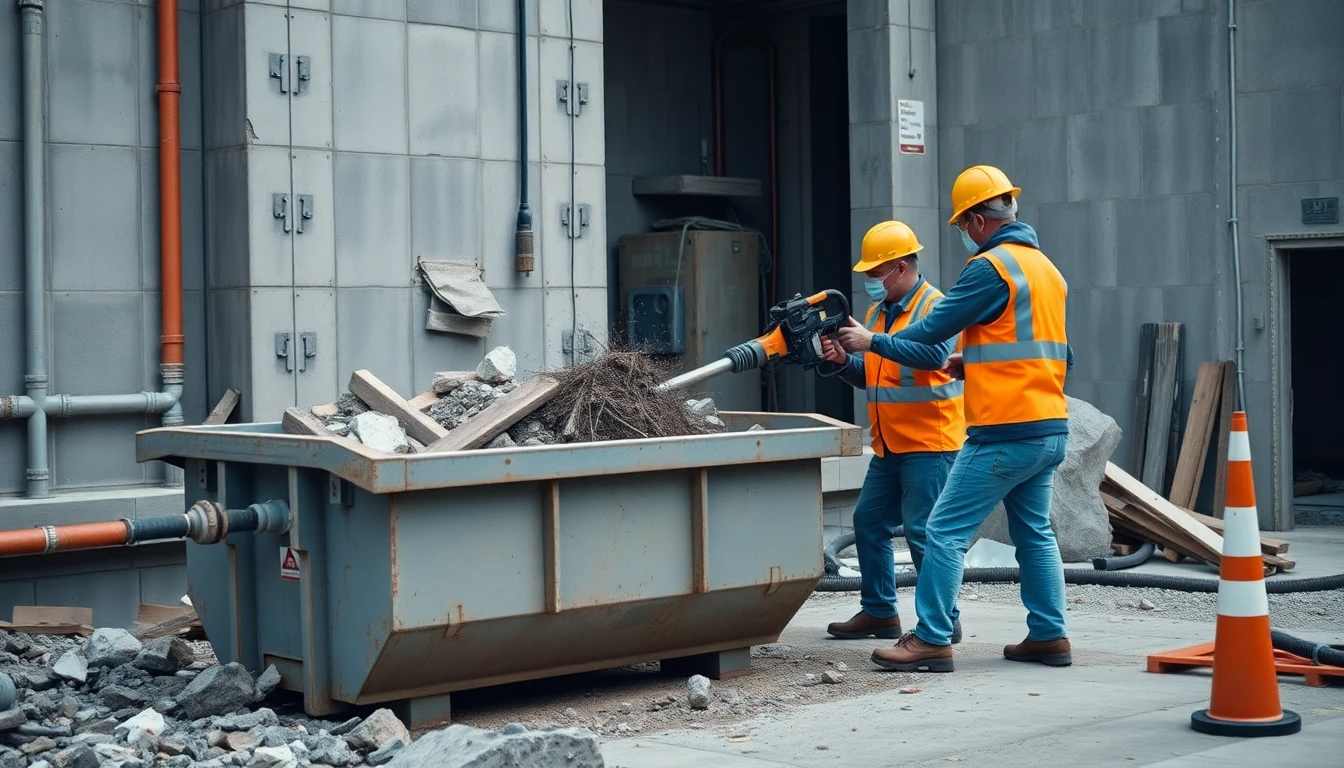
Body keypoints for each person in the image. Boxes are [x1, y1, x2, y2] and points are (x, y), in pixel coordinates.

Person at [869, 165, 1076, 673]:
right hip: (1048, 425)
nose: (964, 233)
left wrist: (870, 341)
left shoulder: (991, 268)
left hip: (1004, 430)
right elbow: (1057, 353)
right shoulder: (1047, 270)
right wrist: (970, 362)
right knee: (1034, 533)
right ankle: (1049, 636)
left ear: (980, 220)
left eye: (963, 223)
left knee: (943, 530)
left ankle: (933, 639)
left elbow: (933, 327)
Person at [818, 220, 967, 643]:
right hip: (890, 444)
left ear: (900, 268)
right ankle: (881, 611)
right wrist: (842, 362)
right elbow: (872, 374)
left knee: (923, 531)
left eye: (875, 273)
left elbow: (935, 354)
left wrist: (871, 343)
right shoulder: (875, 315)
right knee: (868, 521)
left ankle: (945, 620)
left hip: (930, 443)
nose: (870, 282)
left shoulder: (935, 306)